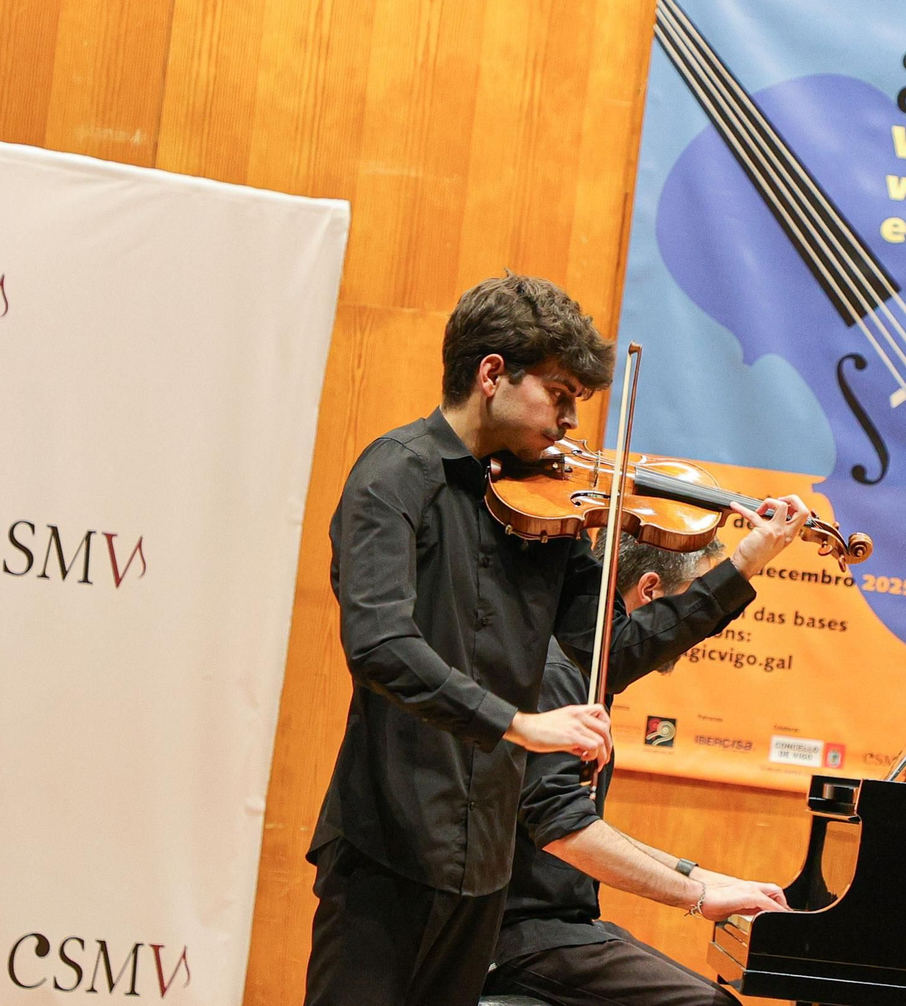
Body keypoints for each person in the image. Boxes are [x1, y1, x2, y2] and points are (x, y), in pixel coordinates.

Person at [304, 272, 812, 1006]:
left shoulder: (544, 513)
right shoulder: (394, 477)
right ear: (490, 375)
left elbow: (609, 654)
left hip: (482, 873)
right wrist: (519, 724)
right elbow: (379, 645)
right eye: (560, 394)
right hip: (387, 850)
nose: (572, 421)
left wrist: (745, 562)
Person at [484, 534, 789, 1006]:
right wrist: (699, 896)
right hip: (515, 935)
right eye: (688, 598)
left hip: (553, 929)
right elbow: (565, 831)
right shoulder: (555, 673)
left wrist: (707, 876)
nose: (691, 636)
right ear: (650, 591)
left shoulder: (579, 674)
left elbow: (582, 823)